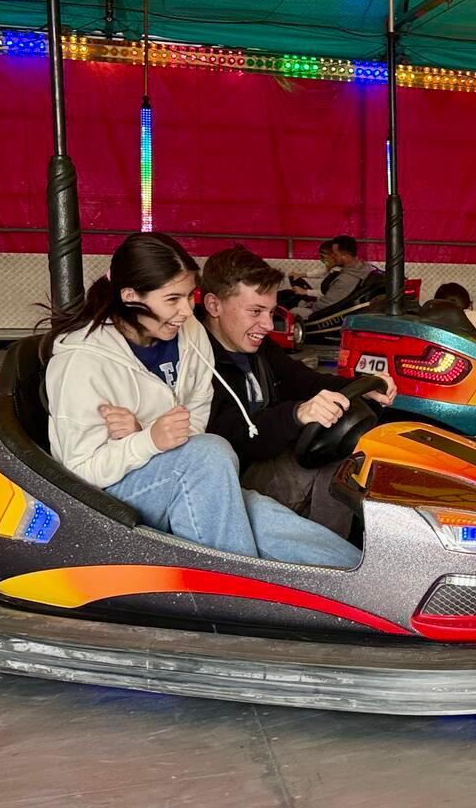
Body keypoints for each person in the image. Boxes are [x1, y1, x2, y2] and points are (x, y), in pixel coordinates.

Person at [43, 232, 361, 569]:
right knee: (209, 452)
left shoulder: (188, 334)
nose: (186, 310)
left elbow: (195, 418)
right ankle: (240, 598)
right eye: (173, 299)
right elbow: (78, 472)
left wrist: (148, 434)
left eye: (187, 296)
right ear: (131, 296)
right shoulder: (83, 362)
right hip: (108, 498)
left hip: (182, 468)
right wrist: (147, 441)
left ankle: (373, 591)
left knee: (269, 522)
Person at [198, 246, 397, 538]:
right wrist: (296, 415)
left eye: (270, 312)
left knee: (359, 451)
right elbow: (228, 435)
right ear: (214, 306)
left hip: (269, 462)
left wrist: (360, 387)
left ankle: (349, 546)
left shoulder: (260, 349)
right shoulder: (196, 359)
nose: (267, 325)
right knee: (334, 464)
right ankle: (330, 559)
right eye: (255, 311)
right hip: (232, 483)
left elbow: (307, 381)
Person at [298, 236, 379, 321]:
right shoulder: (365, 267)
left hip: (331, 316)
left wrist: (310, 304)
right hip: (343, 309)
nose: (332, 256)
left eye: (335, 254)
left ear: (346, 257)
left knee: (294, 311)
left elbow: (326, 304)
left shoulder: (346, 279)